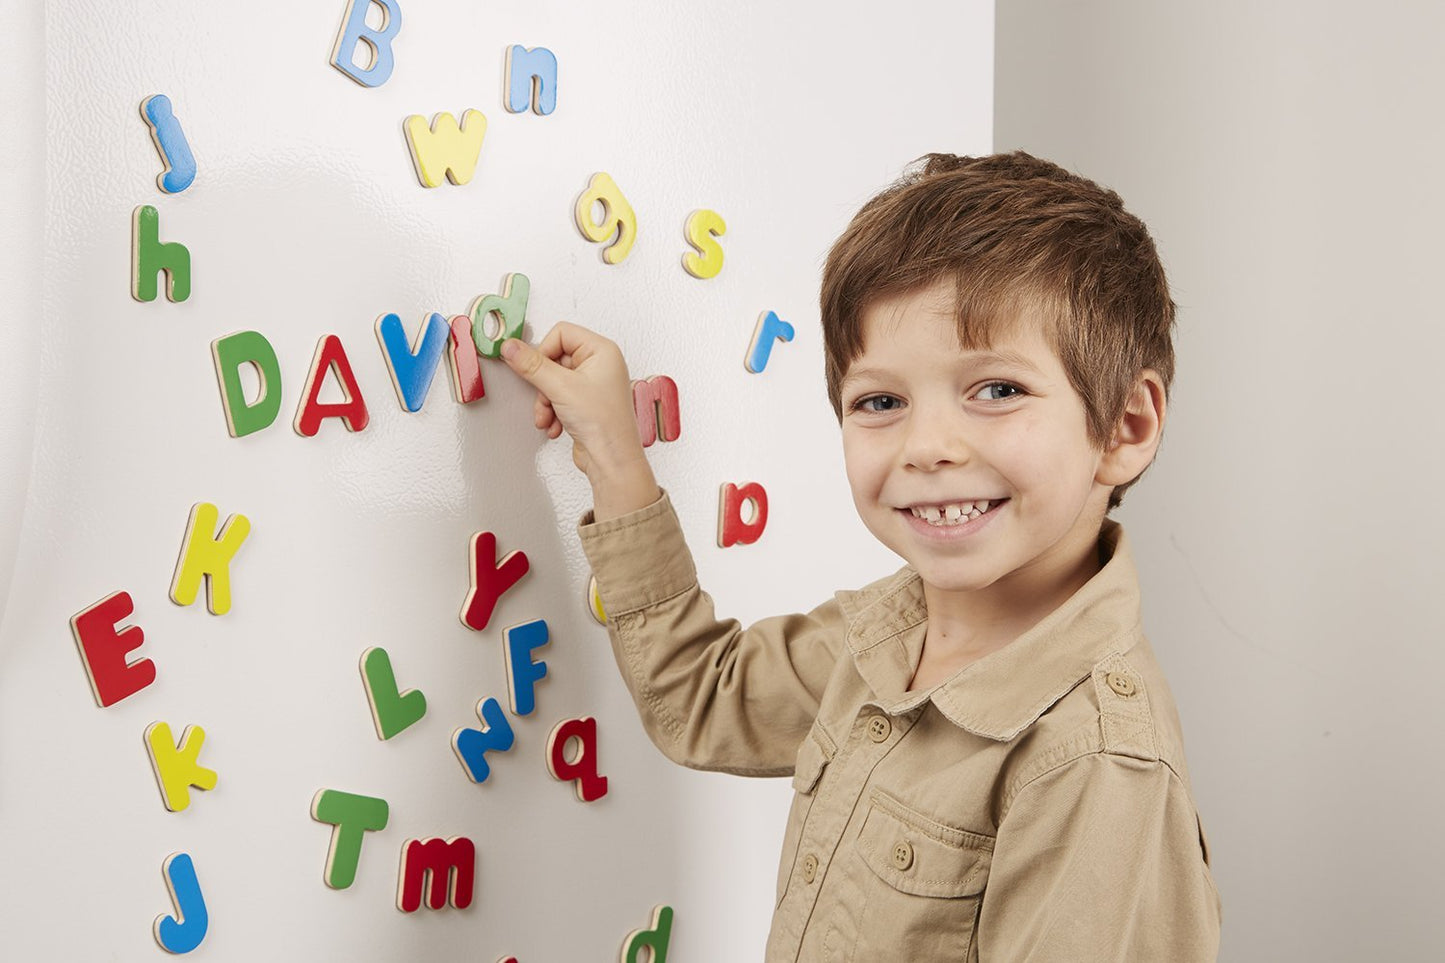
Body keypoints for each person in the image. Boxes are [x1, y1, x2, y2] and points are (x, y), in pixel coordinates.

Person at [499, 151, 1221, 961]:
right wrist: (610, 451)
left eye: (995, 389)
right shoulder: (885, 630)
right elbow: (701, 696)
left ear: (1124, 427)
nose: (927, 446)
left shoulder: (1093, 763)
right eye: (881, 401)